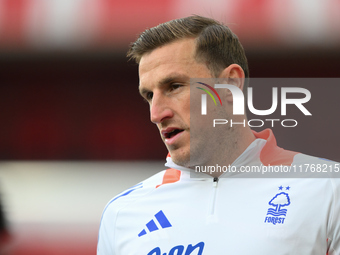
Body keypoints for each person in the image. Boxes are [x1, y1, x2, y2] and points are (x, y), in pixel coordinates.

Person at [97, 15, 340, 254]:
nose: (156, 113)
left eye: (174, 86)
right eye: (149, 95)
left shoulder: (327, 187)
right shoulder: (122, 215)